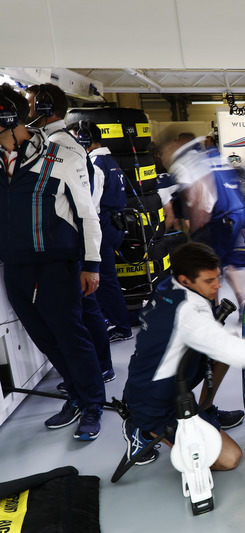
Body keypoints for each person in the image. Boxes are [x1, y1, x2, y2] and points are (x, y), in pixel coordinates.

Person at [121, 242, 245, 468]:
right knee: (229, 458)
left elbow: (220, 341)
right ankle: (141, 428)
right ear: (185, 280)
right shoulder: (188, 311)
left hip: (168, 376)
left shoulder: (169, 284)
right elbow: (226, 346)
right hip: (153, 403)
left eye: (217, 277)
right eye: (209, 281)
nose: (217, 285)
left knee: (225, 344)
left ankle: (205, 409)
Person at [0, 84, 105, 441]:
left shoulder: (62, 157)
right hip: (16, 266)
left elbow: (88, 215)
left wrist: (92, 264)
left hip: (57, 265)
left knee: (70, 336)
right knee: (45, 339)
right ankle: (75, 394)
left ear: (8, 119)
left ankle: (93, 403)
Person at [28, 84, 117, 391]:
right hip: (68, 243)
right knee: (82, 310)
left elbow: (83, 205)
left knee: (84, 311)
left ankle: (100, 370)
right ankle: (95, 369)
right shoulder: (50, 142)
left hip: (73, 243)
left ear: (43, 108)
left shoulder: (60, 145)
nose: (26, 112)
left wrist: (89, 257)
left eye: (30, 105)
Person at [163, 133, 245, 311]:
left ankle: (214, 309)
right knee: (230, 261)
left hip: (216, 217)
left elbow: (196, 195)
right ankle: (243, 304)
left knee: (208, 265)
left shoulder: (184, 163)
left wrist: (197, 231)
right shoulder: (213, 155)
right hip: (237, 212)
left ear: (177, 144)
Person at [77, 121, 132, 345]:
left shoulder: (96, 164)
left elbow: (91, 202)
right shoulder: (110, 160)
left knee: (105, 280)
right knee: (107, 279)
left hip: (103, 226)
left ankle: (122, 326)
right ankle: (114, 320)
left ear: (86, 139)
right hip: (116, 224)